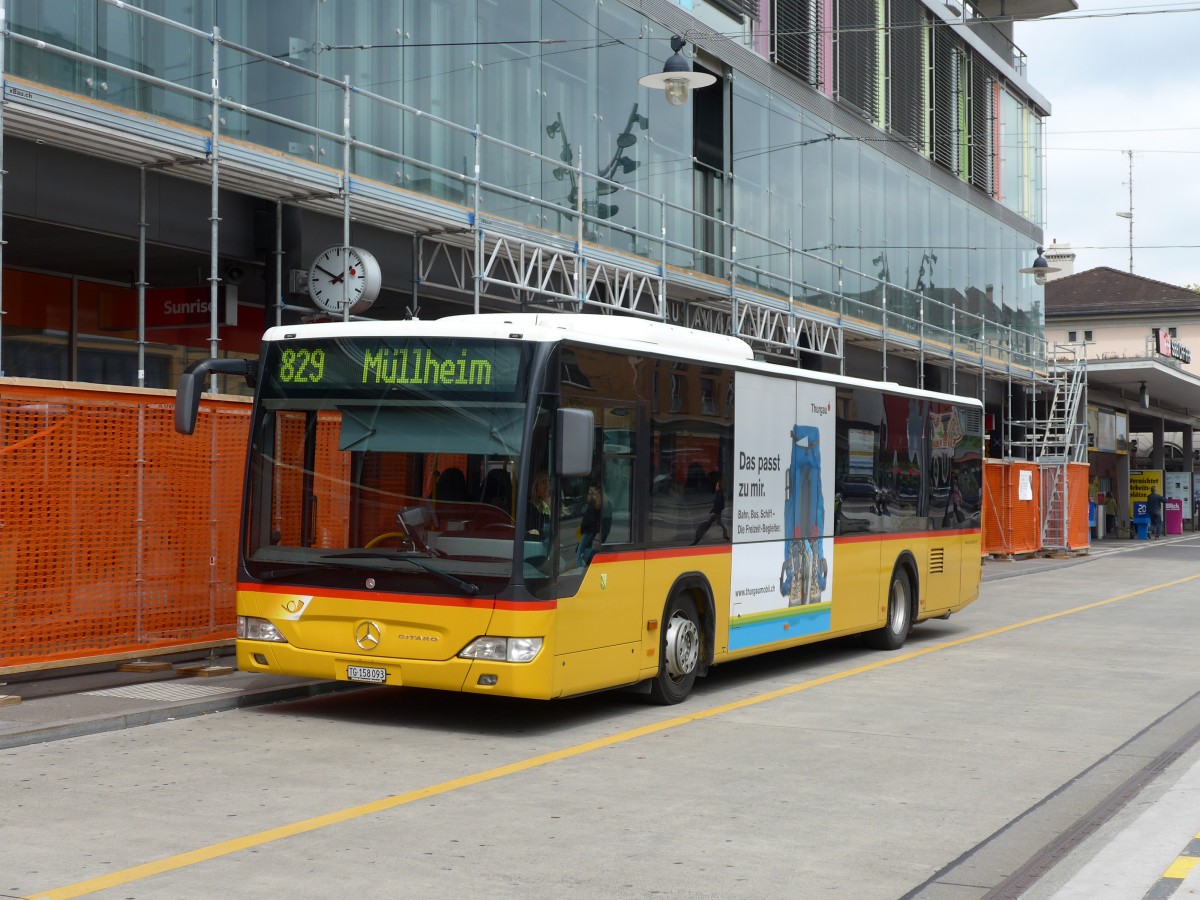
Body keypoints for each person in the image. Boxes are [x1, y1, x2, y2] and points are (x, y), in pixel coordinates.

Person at [576, 484, 612, 567]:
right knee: (586, 548)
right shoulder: (597, 504)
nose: (587, 495)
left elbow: (588, 520)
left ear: (592, 495)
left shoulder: (592, 505)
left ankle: (578, 569)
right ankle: (591, 562)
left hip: (587, 531)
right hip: (591, 531)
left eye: (589, 493)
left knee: (579, 551)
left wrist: (583, 529)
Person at [691, 475, 729, 545]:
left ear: (719, 487)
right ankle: (726, 535)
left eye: (717, 486)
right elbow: (718, 504)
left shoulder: (720, 494)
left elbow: (718, 505)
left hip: (717, 513)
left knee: (706, 525)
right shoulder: (719, 493)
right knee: (719, 523)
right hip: (717, 512)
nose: (716, 487)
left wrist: (714, 512)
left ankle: (697, 538)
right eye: (716, 486)